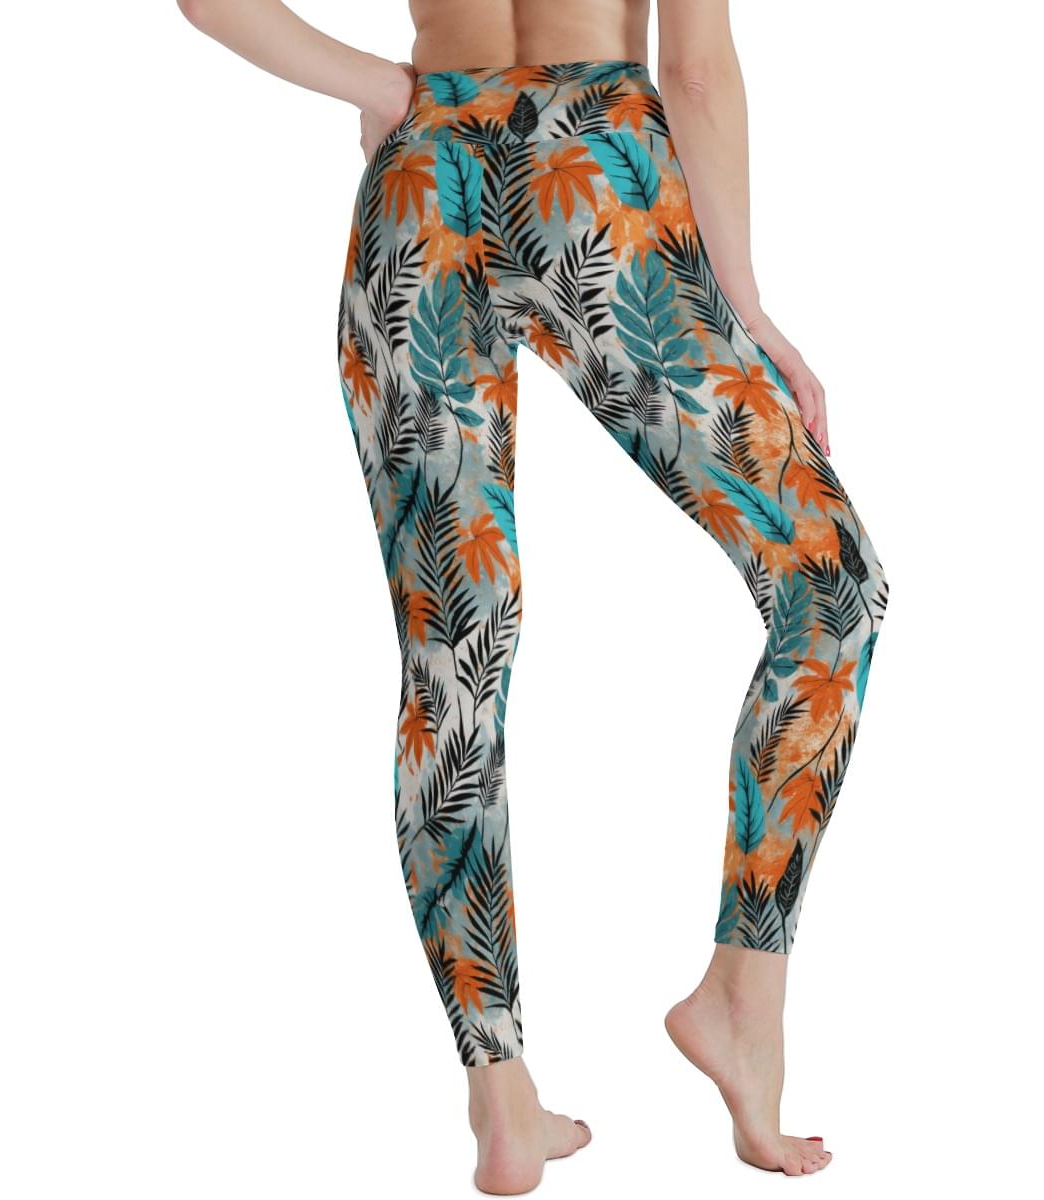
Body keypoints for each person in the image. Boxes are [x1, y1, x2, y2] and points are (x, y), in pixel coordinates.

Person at [177, 0, 889, 1191]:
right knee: (831, 588)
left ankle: (500, 1100)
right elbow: (697, 70)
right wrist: (745, 305)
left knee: (452, 657)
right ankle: (742, 995)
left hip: (419, 190)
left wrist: (384, 89)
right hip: (594, 180)